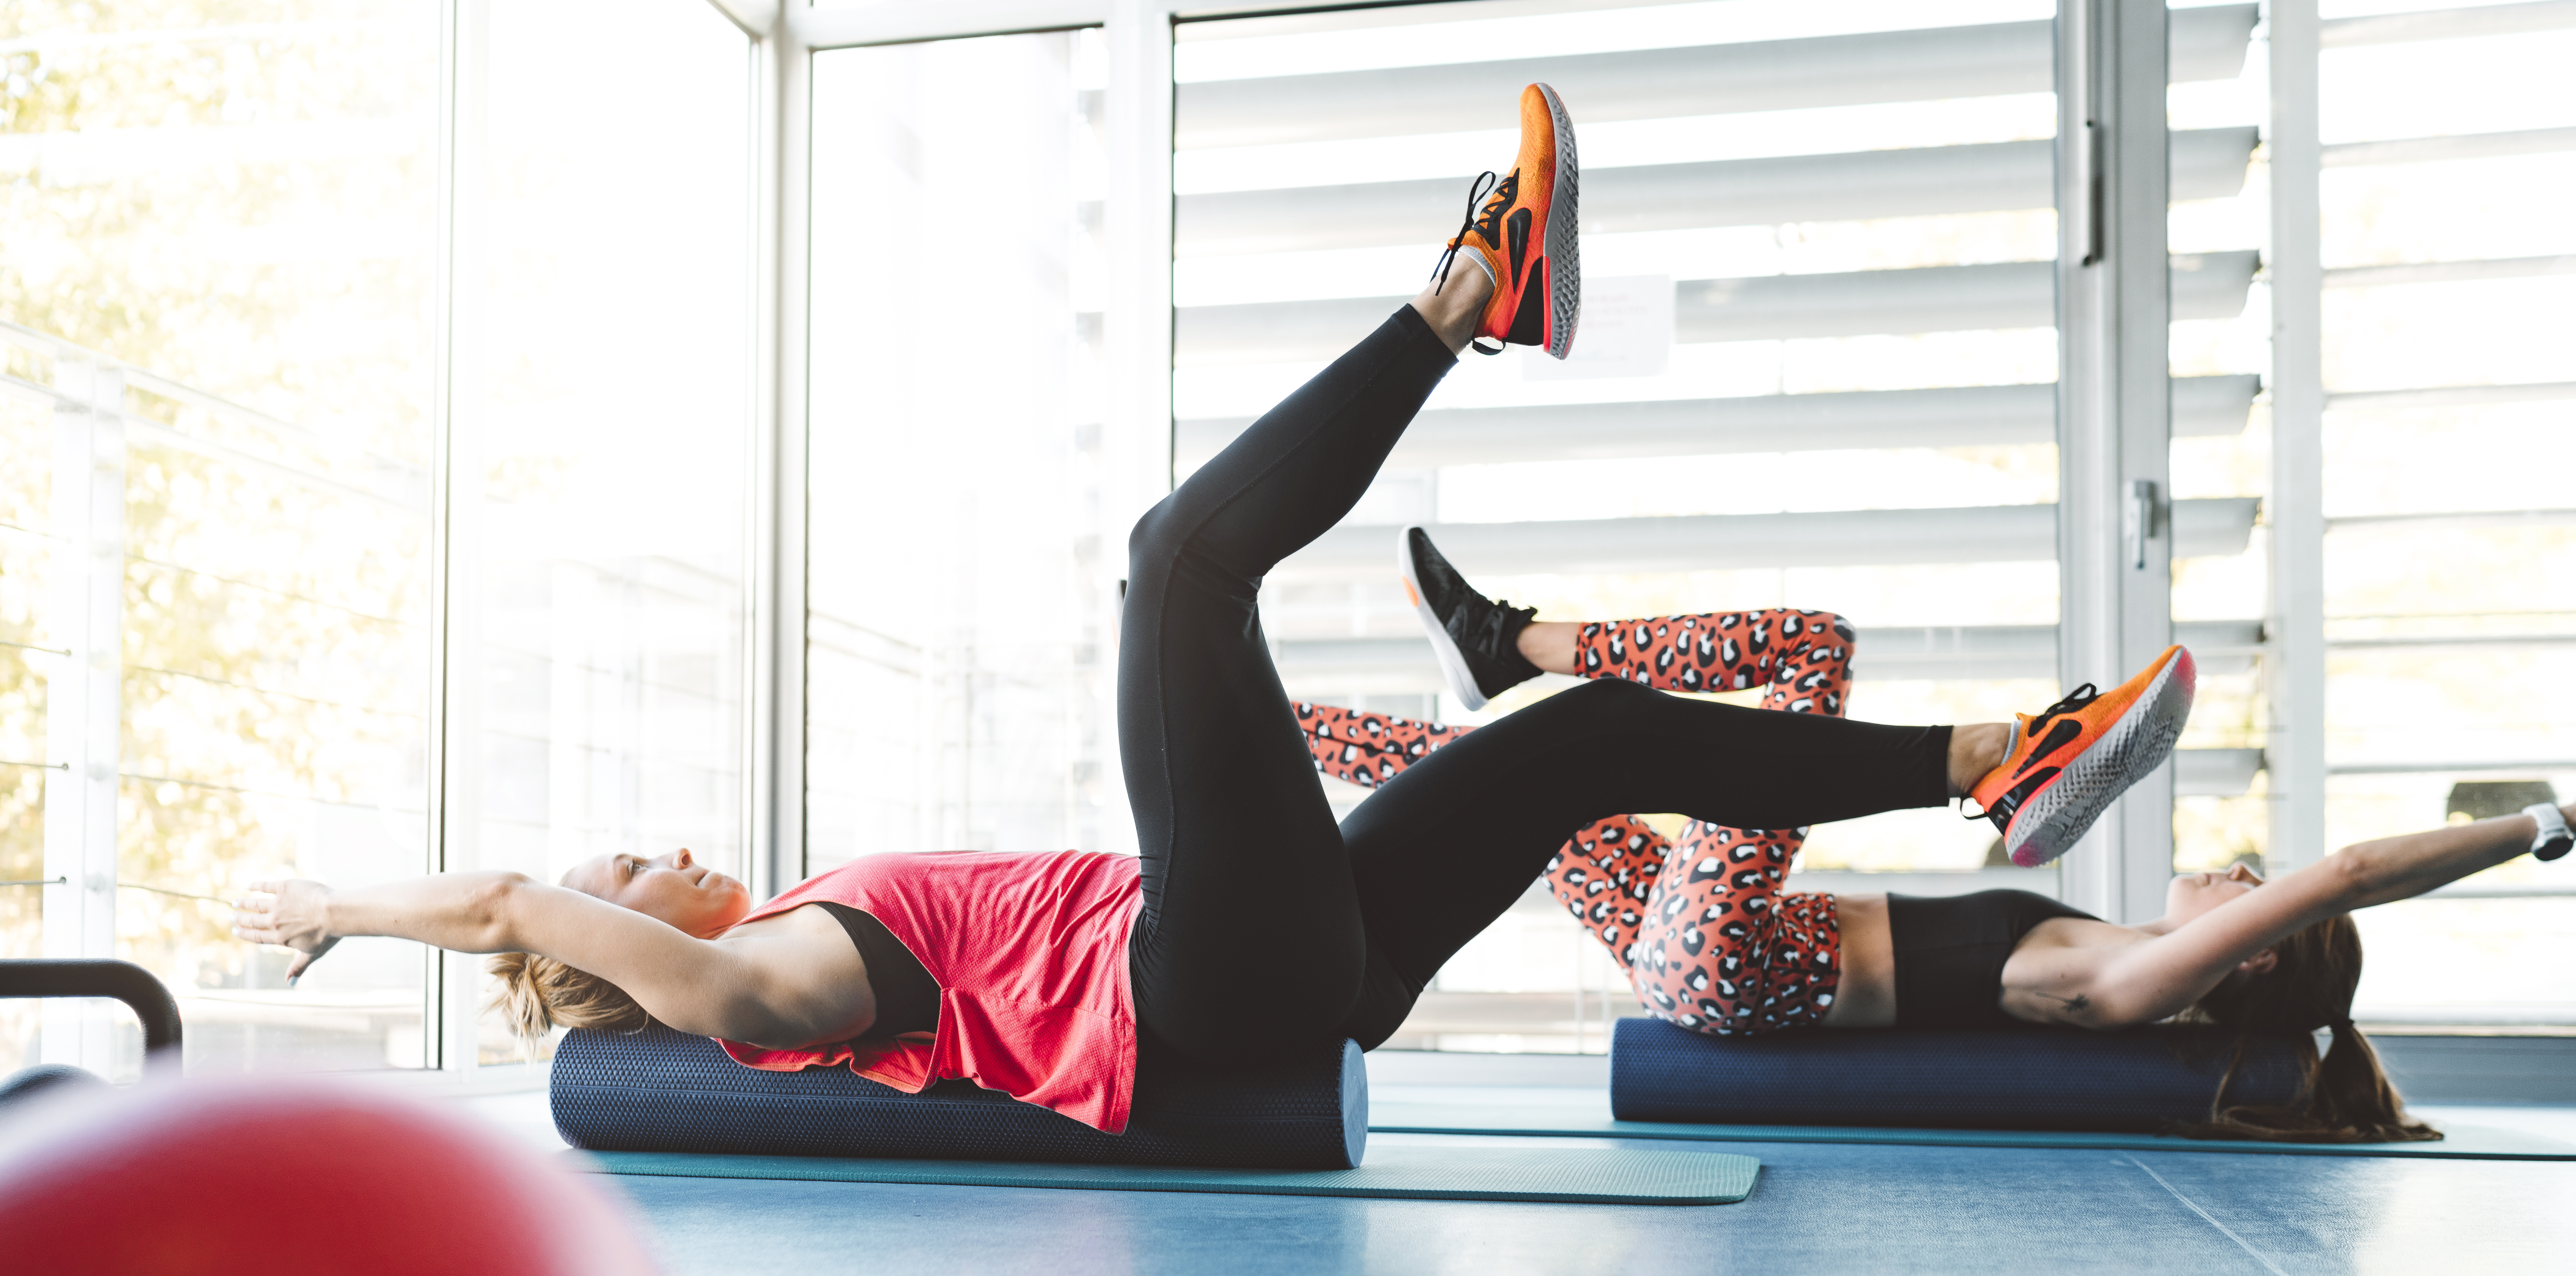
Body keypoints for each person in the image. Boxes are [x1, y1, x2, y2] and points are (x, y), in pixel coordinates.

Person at [234, 83, 2191, 1136]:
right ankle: (1471, 297)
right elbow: (511, 909)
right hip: (1211, 986)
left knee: (1580, 739)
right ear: (624, 952)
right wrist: (339, 903)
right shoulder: (759, 992)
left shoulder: (794, 921)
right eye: (619, 871)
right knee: (1180, 560)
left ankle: (1991, 766)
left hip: (1287, 958)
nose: (645, 848)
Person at [1304, 532, 2576, 1141]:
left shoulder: (2118, 984)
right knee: (1503, 783)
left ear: (2255, 951)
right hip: (1690, 947)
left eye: (2256, 893)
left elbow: (2348, 874)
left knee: (1813, 649)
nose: (2241, 872)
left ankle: (1507, 644)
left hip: (1733, 960)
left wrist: (2543, 823)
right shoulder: (2101, 949)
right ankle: (1275, 726)